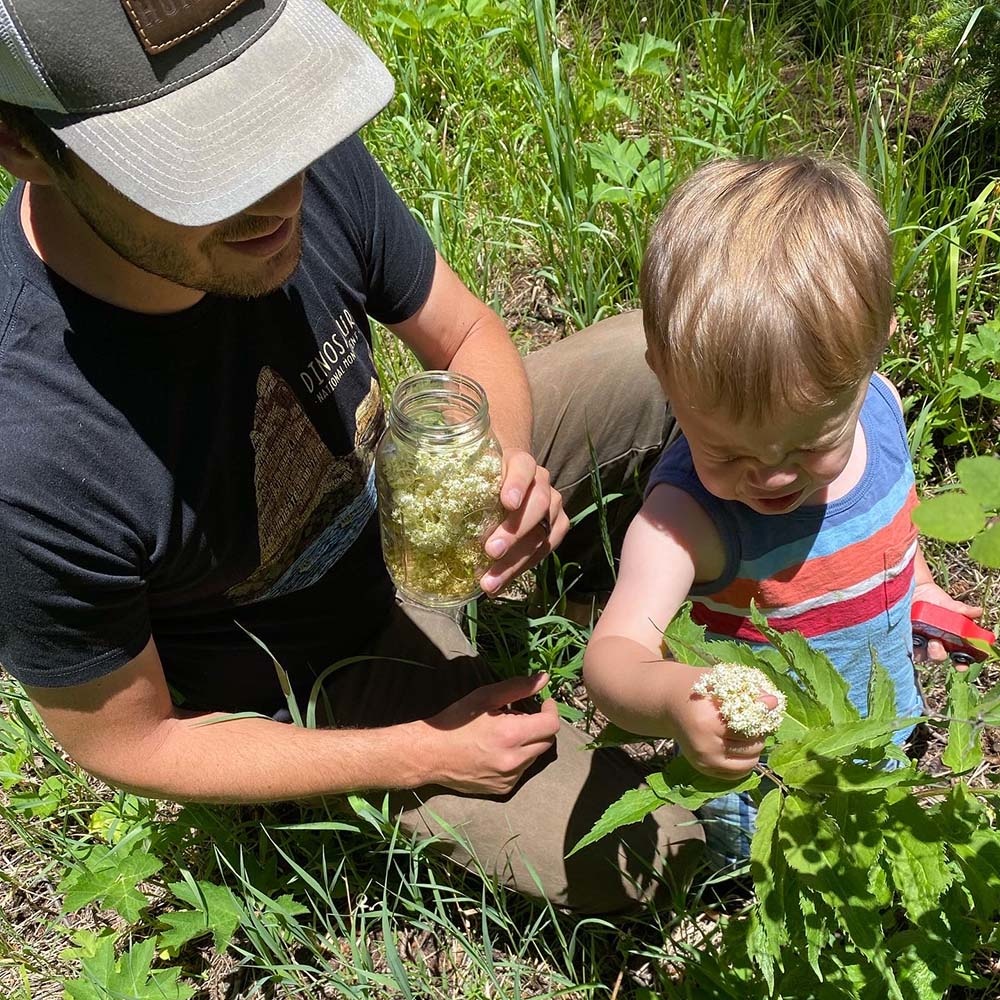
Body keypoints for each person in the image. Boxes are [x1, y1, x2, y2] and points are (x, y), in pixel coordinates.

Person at [0, 0, 705, 914]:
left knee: (688, 345)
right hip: (322, 663)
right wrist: (419, 753)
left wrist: (503, 463)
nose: (276, 192)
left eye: (273, 117)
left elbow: (466, 332)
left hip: (411, 486)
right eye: (193, 166)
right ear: (23, 145)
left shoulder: (291, 167)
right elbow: (129, 745)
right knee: (657, 858)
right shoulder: (33, 454)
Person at [583, 155, 982, 865]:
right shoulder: (687, 518)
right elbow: (611, 660)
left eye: (809, 444)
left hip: (881, 739)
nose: (768, 474)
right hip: (771, 785)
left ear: (874, 353)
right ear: (662, 375)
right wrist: (680, 697)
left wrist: (920, 591)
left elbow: (896, 533)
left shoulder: (883, 411)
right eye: (726, 449)